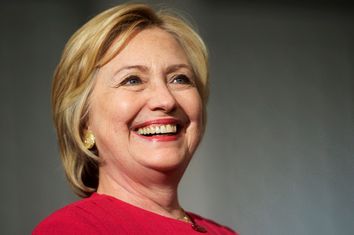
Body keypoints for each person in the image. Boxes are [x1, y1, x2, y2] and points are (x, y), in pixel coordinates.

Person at [33, 3, 238, 235]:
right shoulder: (71, 229)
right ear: (83, 124)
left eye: (179, 79)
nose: (166, 100)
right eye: (132, 80)